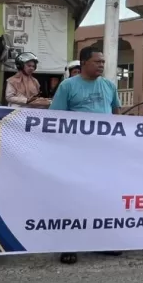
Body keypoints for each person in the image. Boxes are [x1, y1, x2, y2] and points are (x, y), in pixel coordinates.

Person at [49, 46, 121, 264]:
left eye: (103, 62)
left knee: (102, 197)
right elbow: (57, 119)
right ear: (84, 63)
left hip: (104, 154)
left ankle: (101, 241)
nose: (101, 65)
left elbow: (117, 116)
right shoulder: (68, 86)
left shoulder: (109, 85)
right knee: (73, 197)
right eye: (97, 61)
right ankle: (68, 244)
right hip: (75, 154)